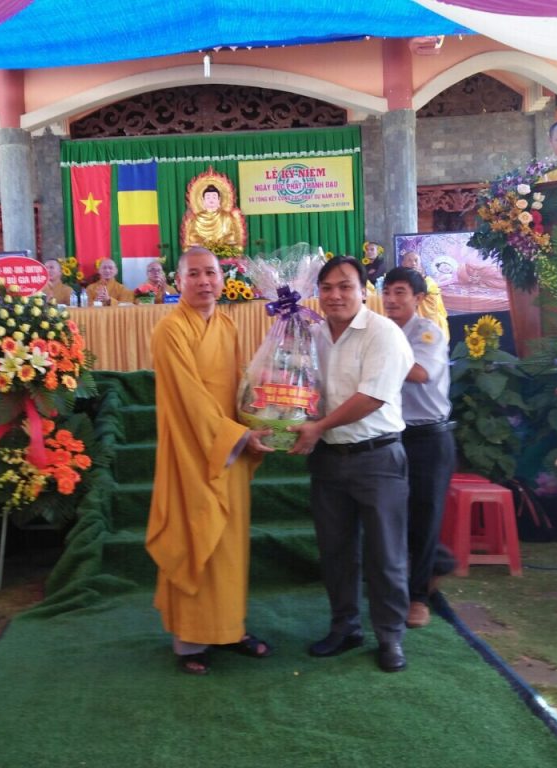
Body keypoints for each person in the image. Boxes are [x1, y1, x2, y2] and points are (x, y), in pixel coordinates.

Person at [145, 246, 274, 676]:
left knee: (229, 545)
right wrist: (238, 436)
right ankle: (190, 641)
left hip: (228, 449)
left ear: (223, 278)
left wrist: (261, 415)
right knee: (195, 536)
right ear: (179, 281)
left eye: (211, 273)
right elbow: (189, 399)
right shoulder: (170, 330)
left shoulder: (227, 325)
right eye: (195, 274)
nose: (204, 281)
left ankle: (229, 628)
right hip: (190, 450)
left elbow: (237, 387)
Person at [288, 256, 414, 673]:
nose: (335, 295)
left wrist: (318, 426)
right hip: (329, 459)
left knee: (386, 554)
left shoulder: (383, 333)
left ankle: (390, 636)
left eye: (345, 286)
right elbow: (296, 385)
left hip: (377, 458)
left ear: (364, 290)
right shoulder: (312, 335)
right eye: (326, 287)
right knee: (336, 552)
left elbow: (372, 397)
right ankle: (345, 627)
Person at [382, 267, 456, 630]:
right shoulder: (383, 332)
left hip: (429, 438)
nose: (391, 300)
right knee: (394, 515)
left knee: (425, 517)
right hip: (393, 436)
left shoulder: (428, 332)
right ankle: (433, 567)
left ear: (418, 298)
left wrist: (373, 355)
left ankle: (419, 598)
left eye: (400, 292)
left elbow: (420, 373)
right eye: (386, 292)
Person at [180, 178, 246, 250]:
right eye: (208, 197)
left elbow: (231, 233)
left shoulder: (226, 216)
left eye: (214, 197)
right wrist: (203, 241)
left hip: (222, 245)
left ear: (219, 200)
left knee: (235, 243)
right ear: (203, 200)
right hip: (203, 246)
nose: (211, 200)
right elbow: (193, 235)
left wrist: (222, 241)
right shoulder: (198, 217)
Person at [398, 250, 449, 340]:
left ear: (420, 264)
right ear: (403, 263)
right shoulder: (399, 283)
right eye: (409, 260)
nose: (413, 263)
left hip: (431, 327)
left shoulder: (429, 282)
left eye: (416, 260)